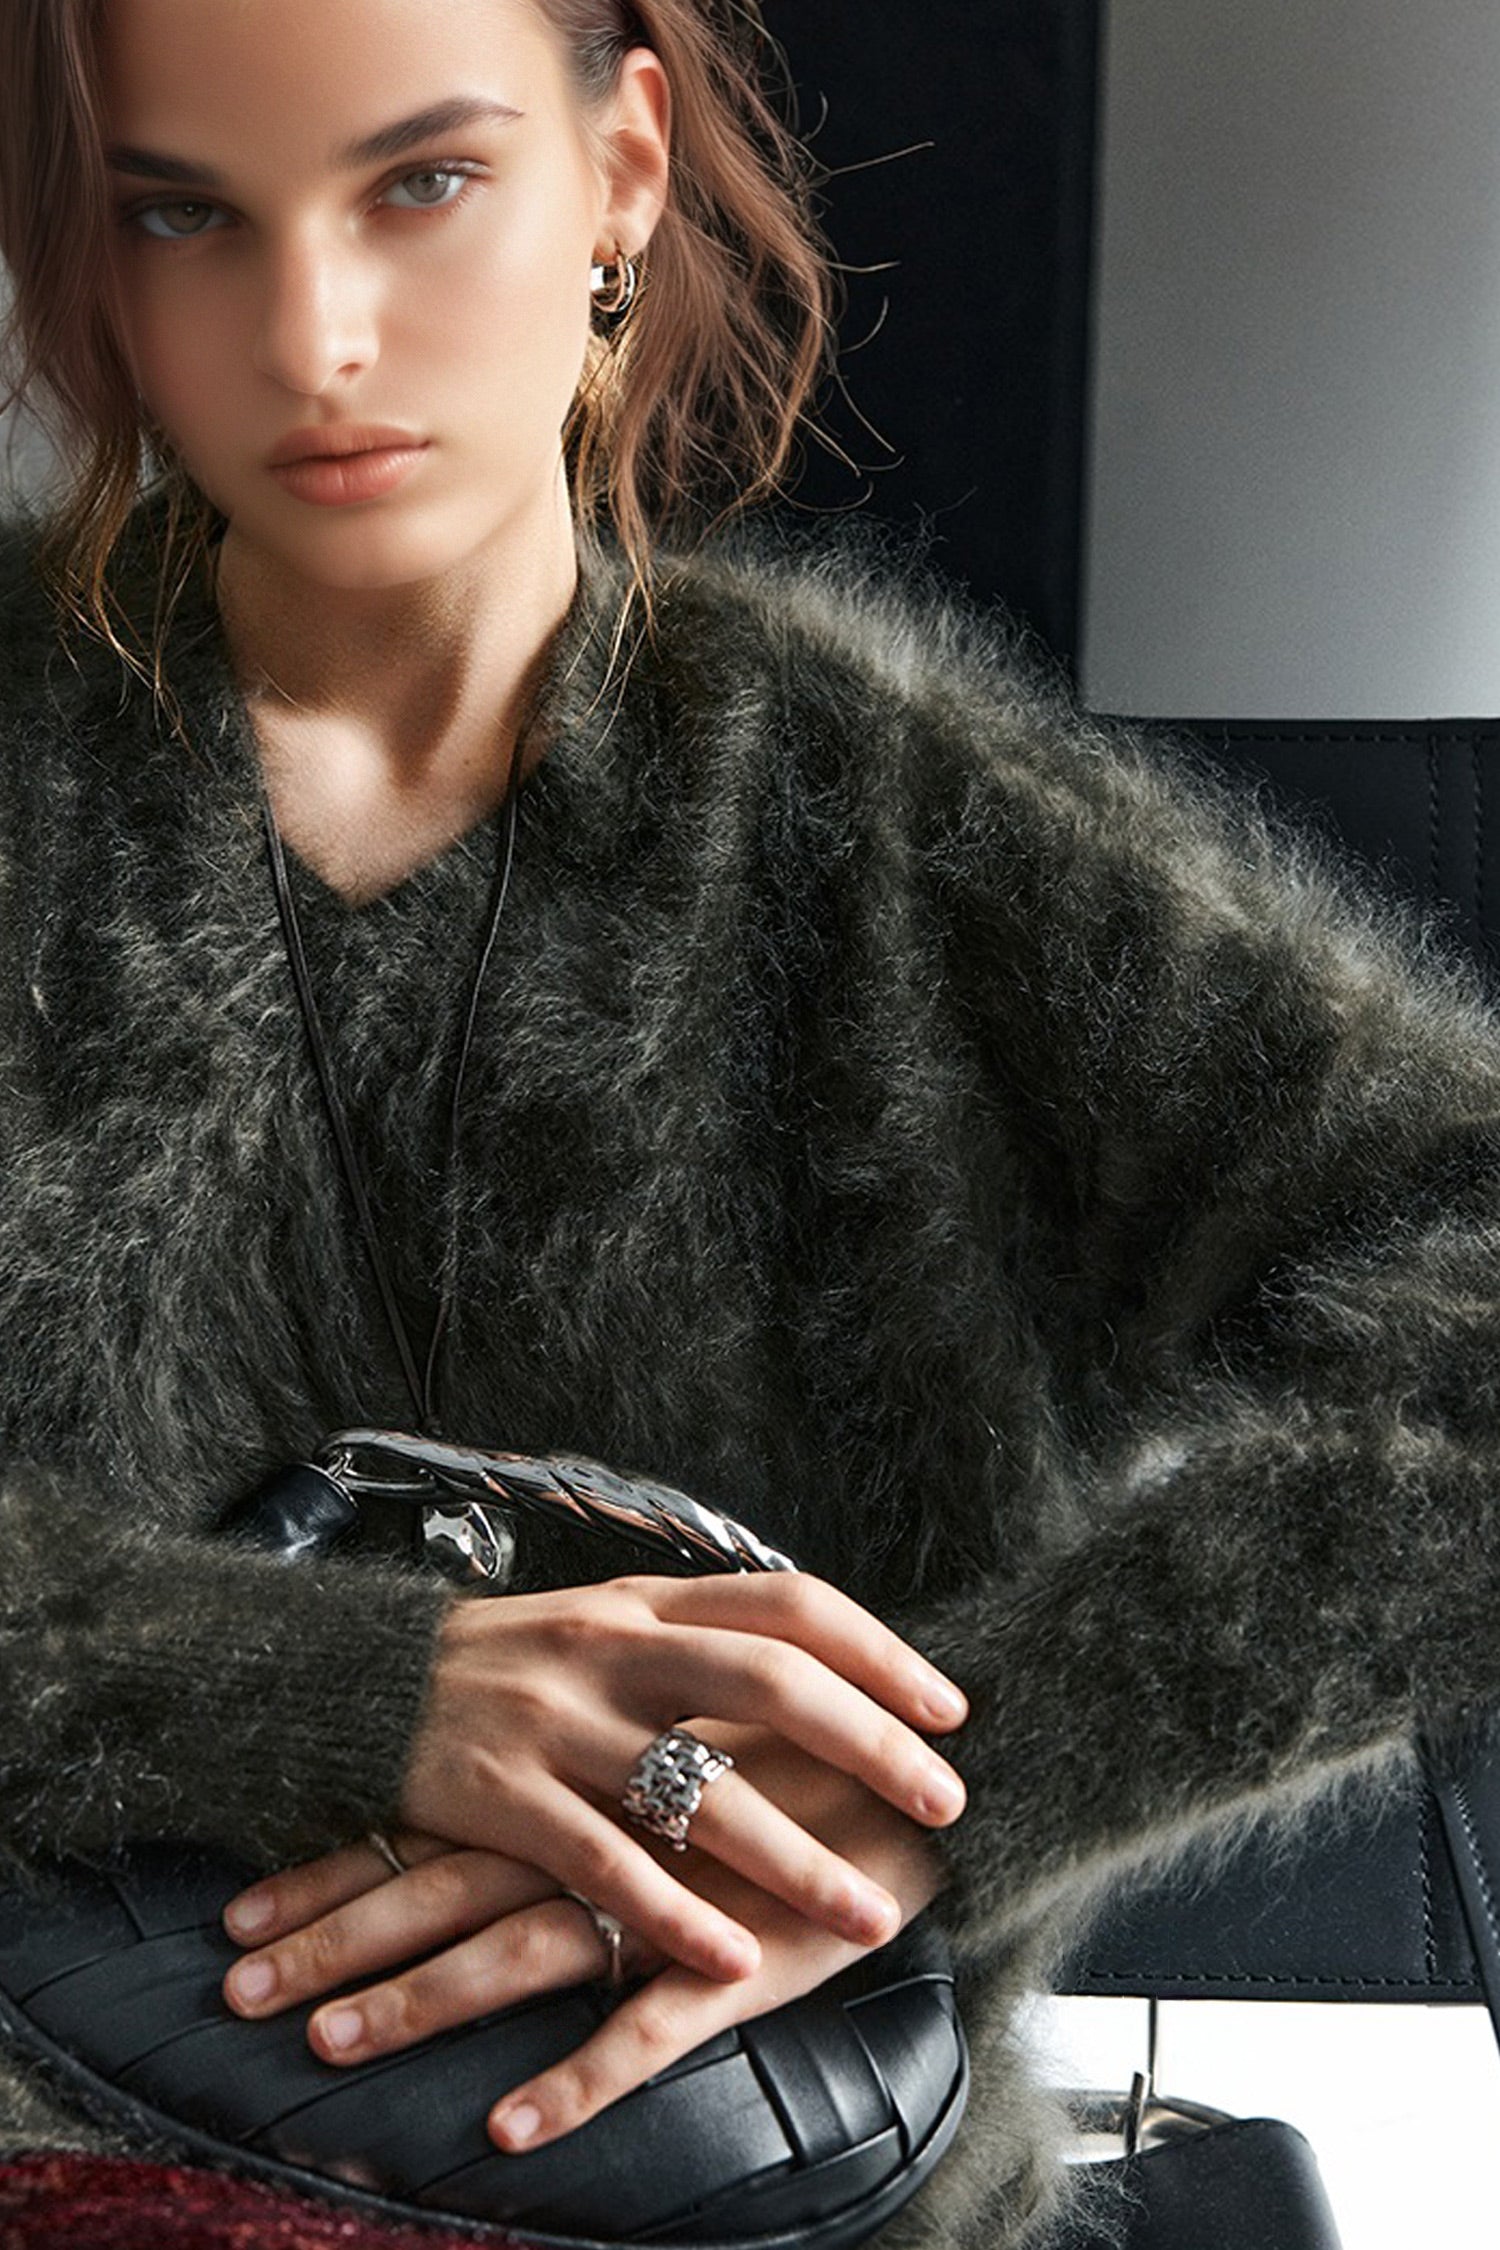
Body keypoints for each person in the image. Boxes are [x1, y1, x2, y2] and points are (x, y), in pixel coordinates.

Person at [1, 2, 1498, 2245]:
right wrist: (326, 1693)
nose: (313, 338)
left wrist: (963, 1769)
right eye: (181, 216)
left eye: (423, 182)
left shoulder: (885, 822)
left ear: (621, 171)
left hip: (789, 2195)